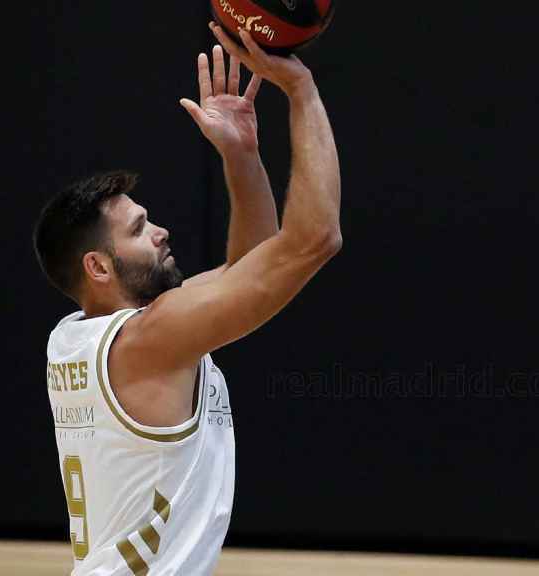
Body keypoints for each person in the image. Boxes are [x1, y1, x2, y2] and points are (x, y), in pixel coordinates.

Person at [33, 25, 341, 575]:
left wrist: (241, 157)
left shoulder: (79, 335)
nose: (161, 231)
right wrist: (302, 91)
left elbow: (248, 267)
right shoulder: (153, 338)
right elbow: (314, 239)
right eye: (139, 228)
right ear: (98, 266)